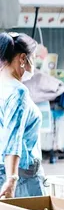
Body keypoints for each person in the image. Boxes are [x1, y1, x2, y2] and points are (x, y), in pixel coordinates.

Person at [0, 32, 44, 198]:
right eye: (33, 59)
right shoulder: (18, 92)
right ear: (22, 58)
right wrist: (11, 180)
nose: (34, 65)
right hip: (23, 178)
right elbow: (13, 138)